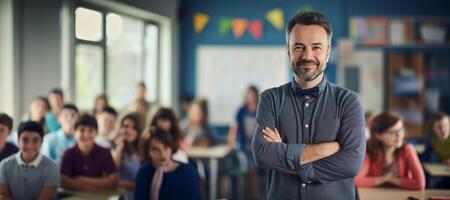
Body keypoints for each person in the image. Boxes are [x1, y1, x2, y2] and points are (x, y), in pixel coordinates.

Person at [251, 11, 365, 199]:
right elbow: (263, 155)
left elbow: (351, 163)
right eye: (299, 47)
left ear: (328, 53)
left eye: (316, 47)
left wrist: (285, 153)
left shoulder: (348, 102)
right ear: (288, 52)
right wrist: (327, 149)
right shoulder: (270, 99)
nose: (307, 55)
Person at [355, 112, 425, 190]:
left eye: (400, 129)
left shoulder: (408, 149)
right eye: (392, 132)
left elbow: (420, 184)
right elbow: (356, 180)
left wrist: (391, 180)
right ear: (378, 136)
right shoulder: (370, 151)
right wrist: (383, 179)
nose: (399, 135)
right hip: (376, 195)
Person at [134, 127, 201, 200]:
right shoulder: (144, 173)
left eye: (166, 148)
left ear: (171, 148)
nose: (162, 154)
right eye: (155, 149)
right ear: (147, 151)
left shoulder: (187, 171)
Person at [0, 121, 59, 200]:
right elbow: (4, 196)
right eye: (25, 140)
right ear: (18, 141)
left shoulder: (52, 167)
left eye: (35, 140)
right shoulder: (5, 165)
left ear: (41, 142)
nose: (30, 145)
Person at [60, 114, 118, 191]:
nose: (86, 134)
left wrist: (80, 179)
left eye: (91, 130)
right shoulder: (68, 153)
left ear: (96, 133)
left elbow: (113, 182)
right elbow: (64, 182)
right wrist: (96, 187)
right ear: (75, 132)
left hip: (99, 197)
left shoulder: (105, 152)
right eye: (82, 130)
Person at [228, 85, 261, 199]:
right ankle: (253, 195)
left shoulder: (260, 109)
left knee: (251, 168)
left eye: (253, 95)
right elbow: (234, 128)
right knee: (249, 168)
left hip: (256, 147)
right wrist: (231, 143)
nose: (251, 97)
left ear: (257, 96)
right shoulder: (241, 110)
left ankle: (252, 194)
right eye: (249, 95)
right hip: (243, 147)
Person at [113, 113, 143, 200]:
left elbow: (144, 182)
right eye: (125, 126)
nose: (128, 130)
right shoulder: (114, 148)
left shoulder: (144, 150)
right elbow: (112, 175)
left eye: (133, 128)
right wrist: (119, 149)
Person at [420, 112, 450, 188]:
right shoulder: (432, 140)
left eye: (446, 126)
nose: (443, 130)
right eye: (439, 127)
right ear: (433, 128)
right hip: (444, 173)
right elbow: (425, 158)